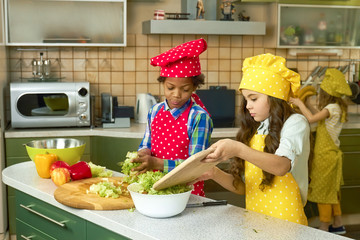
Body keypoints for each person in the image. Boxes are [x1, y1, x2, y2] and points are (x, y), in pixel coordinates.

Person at [195, 53, 310, 225]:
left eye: (254, 99)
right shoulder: (255, 129)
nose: (248, 105)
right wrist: (214, 173)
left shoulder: (295, 123)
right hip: (256, 222)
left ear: (274, 98)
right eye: (246, 99)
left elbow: (281, 166)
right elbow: (243, 188)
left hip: (287, 222)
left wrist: (238, 149)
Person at [132, 38, 213, 197]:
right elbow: (146, 143)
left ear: (195, 87)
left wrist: (157, 163)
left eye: (185, 89)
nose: (176, 95)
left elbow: (195, 166)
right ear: (162, 83)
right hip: (155, 189)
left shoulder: (198, 118)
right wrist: (143, 154)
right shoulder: (155, 111)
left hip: (187, 194)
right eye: (170, 88)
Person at [290, 68, 351, 234]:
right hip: (330, 154)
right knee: (332, 192)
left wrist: (299, 102)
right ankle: (338, 224)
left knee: (323, 192)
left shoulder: (331, 107)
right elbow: (319, 116)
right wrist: (308, 105)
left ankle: (324, 228)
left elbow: (311, 119)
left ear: (326, 92)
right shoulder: (336, 107)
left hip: (325, 157)